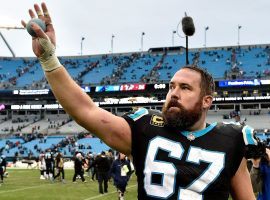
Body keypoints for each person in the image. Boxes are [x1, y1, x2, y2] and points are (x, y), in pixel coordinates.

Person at [22, 3, 257, 199]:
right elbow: (86, 111)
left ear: (206, 101)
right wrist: (49, 59)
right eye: (171, 86)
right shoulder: (146, 127)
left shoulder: (232, 140)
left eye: (185, 88)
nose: (173, 93)